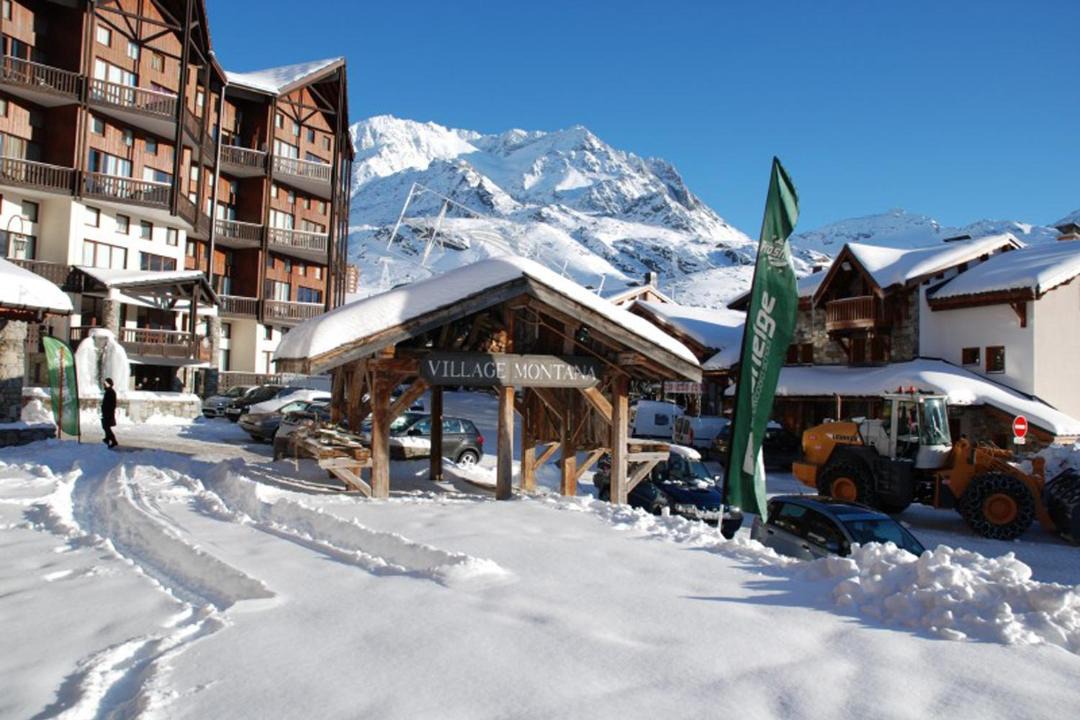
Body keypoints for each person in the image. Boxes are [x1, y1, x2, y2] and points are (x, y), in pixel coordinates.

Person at [101, 378, 118, 449]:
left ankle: (113, 440)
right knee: (106, 426)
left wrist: (107, 410)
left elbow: (110, 404)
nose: (104, 385)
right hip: (107, 412)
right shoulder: (109, 391)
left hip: (108, 413)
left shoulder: (110, 392)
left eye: (105, 383)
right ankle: (107, 439)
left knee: (106, 426)